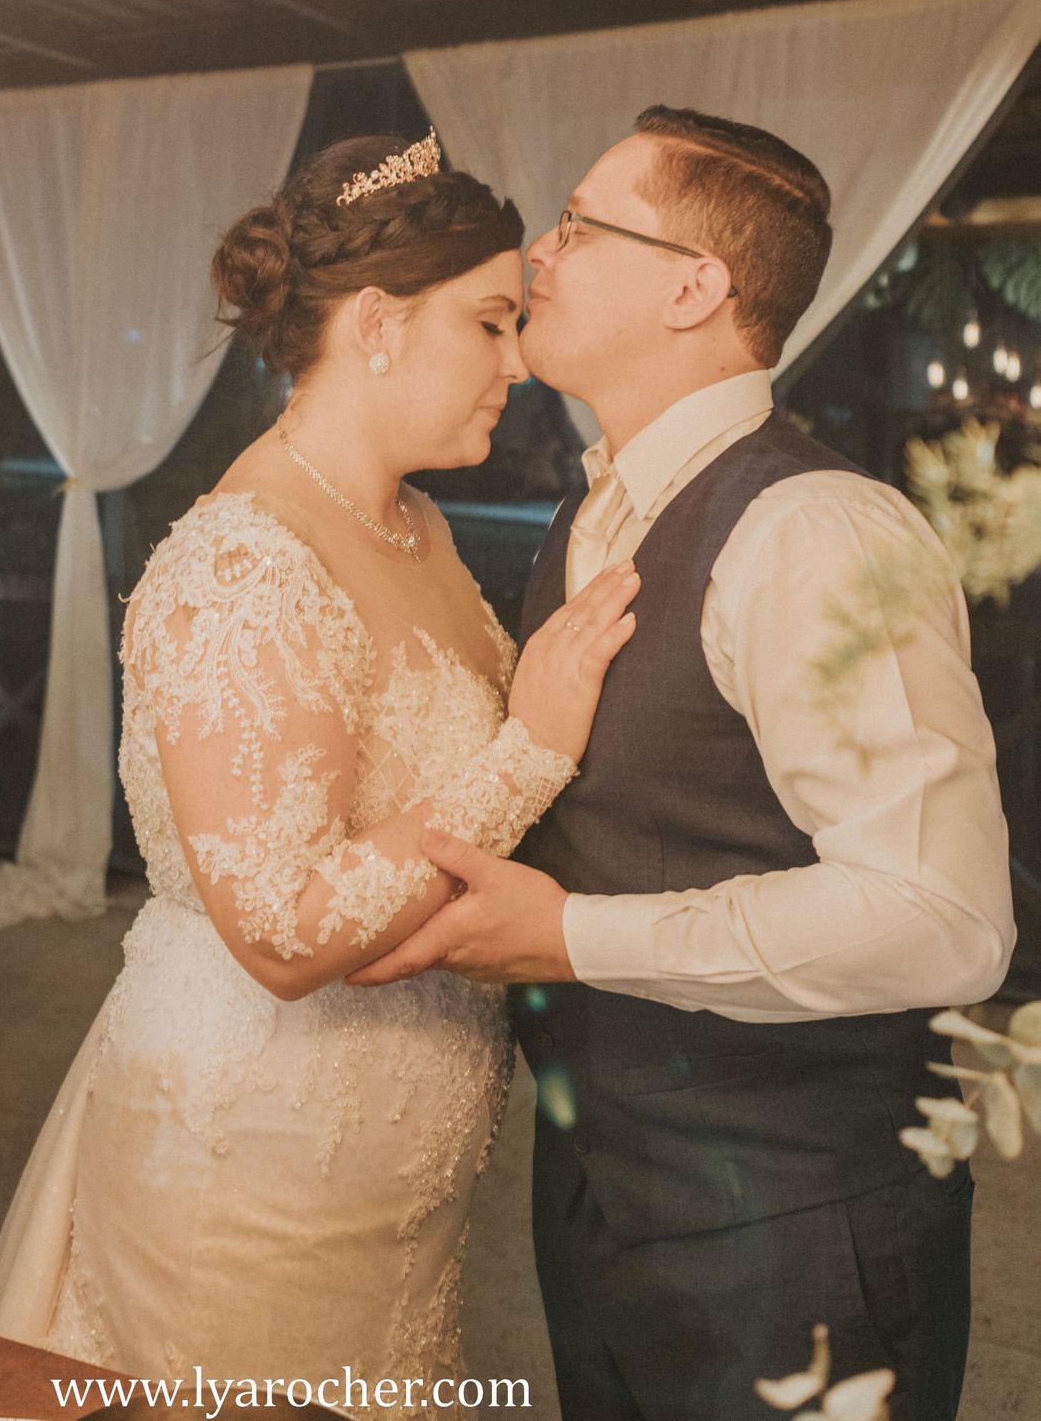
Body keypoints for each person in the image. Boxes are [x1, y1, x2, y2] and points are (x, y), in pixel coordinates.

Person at [351, 106, 1017, 1421]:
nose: (538, 253)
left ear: (695, 287)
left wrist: (571, 934)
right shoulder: (592, 510)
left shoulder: (817, 531)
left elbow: (945, 920)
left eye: (580, 224)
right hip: (601, 1191)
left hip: (796, 1228)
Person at [0, 130, 639, 1406]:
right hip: (251, 1162)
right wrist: (534, 749)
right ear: (377, 324)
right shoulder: (242, 564)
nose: (518, 364)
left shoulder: (415, 522)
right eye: (490, 323)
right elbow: (281, 930)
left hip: (394, 1189)